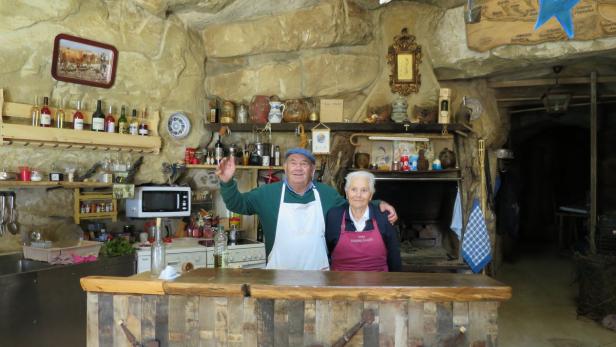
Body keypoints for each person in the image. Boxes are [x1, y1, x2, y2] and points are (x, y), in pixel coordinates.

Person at [216, 148, 398, 270]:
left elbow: (352, 205)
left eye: (304, 164)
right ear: (285, 167)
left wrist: (378, 203)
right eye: (293, 163)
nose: (298, 168)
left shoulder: (326, 194)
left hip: (318, 276)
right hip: (278, 276)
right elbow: (237, 204)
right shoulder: (267, 193)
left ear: (313, 170)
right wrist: (227, 182)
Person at [326, 171, 402, 271]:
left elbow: (394, 257)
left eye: (364, 190)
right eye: (353, 189)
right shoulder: (334, 216)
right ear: (347, 193)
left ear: (370, 195)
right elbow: (327, 252)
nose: (358, 195)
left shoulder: (383, 216)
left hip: (378, 283)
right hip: (341, 282)